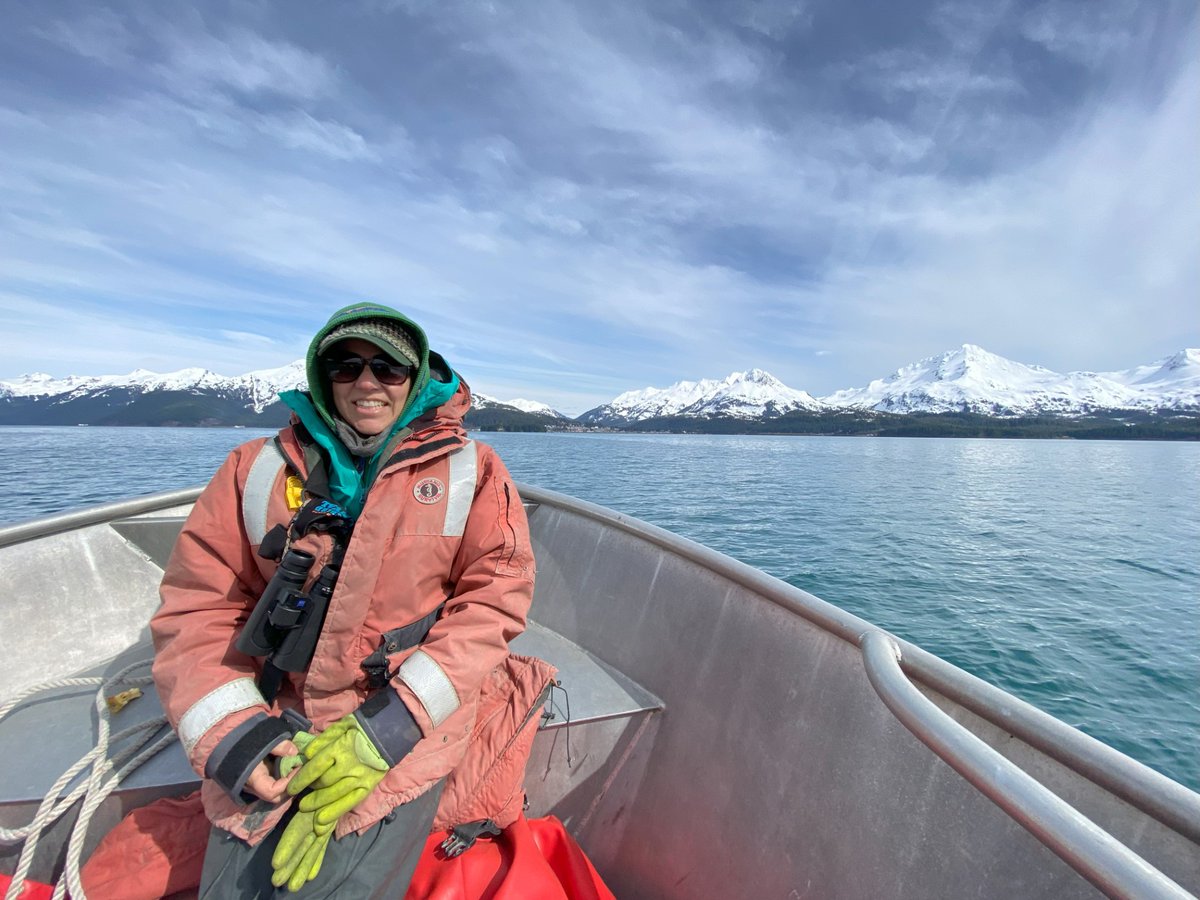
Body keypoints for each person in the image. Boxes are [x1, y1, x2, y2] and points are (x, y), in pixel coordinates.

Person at [150, 302, 539, 897]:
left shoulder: (474, 470)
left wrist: (392, 725)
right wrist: (237, 736)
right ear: (320, 375)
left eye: (388, 369)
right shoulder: (253, 468)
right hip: (273, 712)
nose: (366, 382)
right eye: (345, 365)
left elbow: (494, 601)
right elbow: (197, 606)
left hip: (404, 719)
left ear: (414, 382)